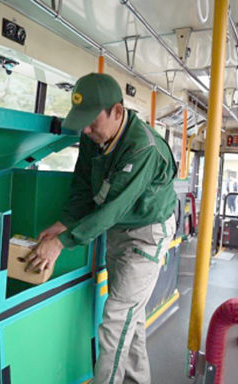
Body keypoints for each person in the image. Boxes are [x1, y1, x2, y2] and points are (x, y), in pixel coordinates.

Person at [26, 73, 177, 384]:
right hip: (119, 232)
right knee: (129, 322)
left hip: (146, 236)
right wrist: (63, 222)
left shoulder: (143, 148)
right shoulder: (93, 136)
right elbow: (82, 185)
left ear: (118, 112)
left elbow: (112, 208)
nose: (85, 129)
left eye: (92, 121)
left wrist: (62, 242)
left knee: (116, 320)